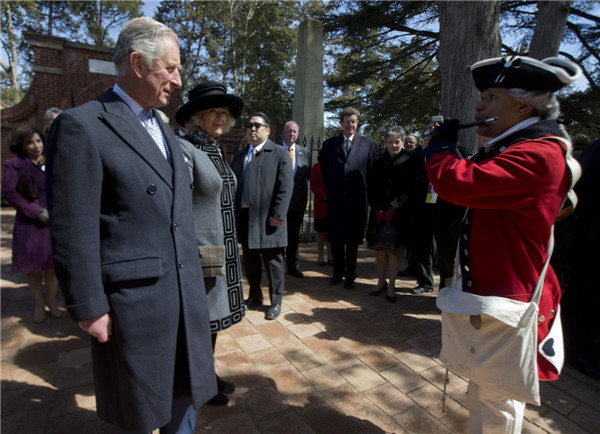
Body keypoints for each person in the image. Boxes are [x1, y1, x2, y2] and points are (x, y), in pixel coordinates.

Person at [45, 17, 216, 433]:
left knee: (182, 405)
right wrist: (89, 307)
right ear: (138, 64)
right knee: (136, 413)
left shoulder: (163, 126)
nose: (178, 80)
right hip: (132, 307)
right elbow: (73, 226)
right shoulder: (82, 126)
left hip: (182, 296)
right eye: (171, 68)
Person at [424, 55, 581, 433]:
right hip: (492, 297)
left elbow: (459, 182)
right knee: (484, 393)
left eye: (492, 97)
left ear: (524, 105)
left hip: (508, 300)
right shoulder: (516, 147)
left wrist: (438, 148)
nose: (479, 105)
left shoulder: (538, 153)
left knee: (497, 404)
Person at [175, 81, 246, 406]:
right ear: (197, 117)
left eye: (223, 113)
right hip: (201, 251)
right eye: (212, 112)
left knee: (211, 324)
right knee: (201, 323)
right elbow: (178, 205)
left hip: (222, 249)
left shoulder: (214, 147)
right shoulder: (185, 149)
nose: (219, 118)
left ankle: (206, 376)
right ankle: (198, 384)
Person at [231, 112, 293, 320]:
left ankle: (276, 301)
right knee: (250, 261)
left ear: (268, 130)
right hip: (246, 218)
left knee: (273, 261)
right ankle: (255, 296)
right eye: (249, 125)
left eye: (258, 125)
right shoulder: (240, 156)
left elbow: (286, 187)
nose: (252, 129)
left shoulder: (278, 153)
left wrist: (278, 214)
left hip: (269, 219)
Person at [2, 124, 60, 323]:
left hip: (53, 222)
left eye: (38, 141)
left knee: (52, 266)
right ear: (22, 146)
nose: (36, 146)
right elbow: (9, 193)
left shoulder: (52, 161)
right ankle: (38, 304)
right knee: (33, 268)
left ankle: (52, 302)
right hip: (30, 224)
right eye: (30, 142)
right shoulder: (14, 164)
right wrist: (35, 212)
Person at [319, 107, 376, 289]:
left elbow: (370, 171)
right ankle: (337, 273)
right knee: (335, 239)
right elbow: (324, 169)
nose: (350, 124)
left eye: (353, 121)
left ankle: (350, 274)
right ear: (340, 123)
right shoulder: (329, 145)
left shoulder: (368, 144)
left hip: (357, 200)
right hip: (335, 200)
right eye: (347, 121)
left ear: (357, 123)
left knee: (352, 241)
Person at [366, 126, 418, 303]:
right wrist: (378, 208)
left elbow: (411, 190)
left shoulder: (410, 162)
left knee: (394, 252)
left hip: (399, 215)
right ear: (386, 143)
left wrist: (393, 208)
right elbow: (372, 188)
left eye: (397, 142)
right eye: (390, 142)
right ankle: (381, 282)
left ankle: (392, 285)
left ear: (402, 142)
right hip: (379, 213)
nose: (393, 145)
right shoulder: (378, 162)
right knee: (381, 249)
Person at [563, 138, 600, 379]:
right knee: (587, 296)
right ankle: (574, 348)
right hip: (592, 240)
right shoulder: (597, 150)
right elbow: (584, 192)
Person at [281, 120, 312, 278]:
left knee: (294, 235)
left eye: (294, 131)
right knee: (278, 234)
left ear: (298, 133)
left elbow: (306, 176)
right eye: (289, 131)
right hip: (279, 202)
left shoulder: (305, 152)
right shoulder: (276, 150)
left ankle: (293, 266)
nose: (292, 134)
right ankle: (278, 266)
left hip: (297, 202)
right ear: (283, 132)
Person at [310, 161, 332, 267]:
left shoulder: (335, 165)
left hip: (333, 204)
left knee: (331, 232)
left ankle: (331, 256)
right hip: (321, 204)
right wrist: (323, 195)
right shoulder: (316, 167)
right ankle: (320, 256)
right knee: (321, 232)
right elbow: (313, 185)